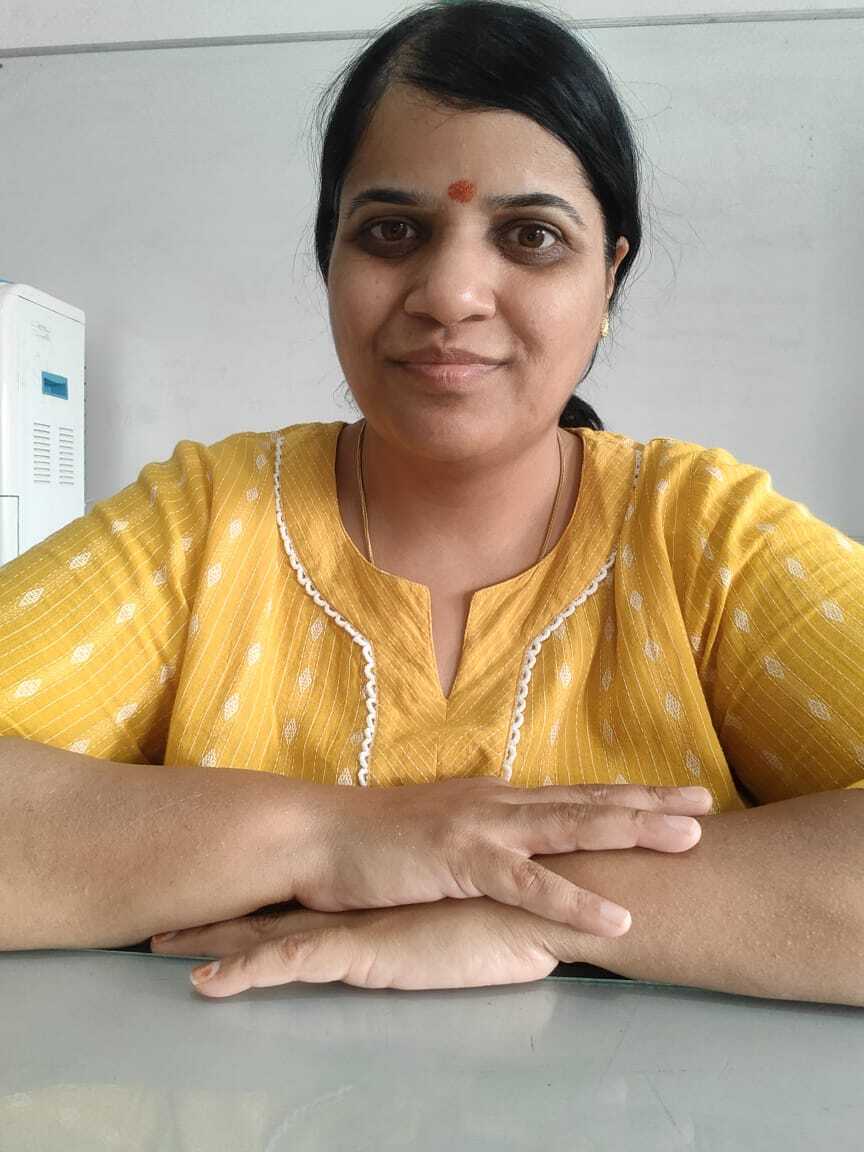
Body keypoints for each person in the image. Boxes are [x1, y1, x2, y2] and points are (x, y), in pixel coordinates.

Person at [1, 0, 862, 1005]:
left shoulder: (705, 538)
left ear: (609, 278)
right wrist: (335, 838)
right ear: (330, 261)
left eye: (531, 236)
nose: (450, 292)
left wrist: (519, 902)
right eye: (393, 231)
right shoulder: (207, 521)